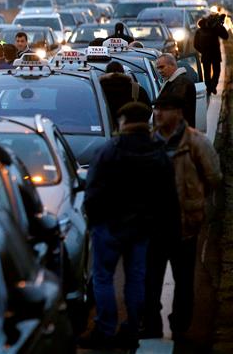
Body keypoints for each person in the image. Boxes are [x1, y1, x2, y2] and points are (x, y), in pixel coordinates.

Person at [79, 102, 178, 350]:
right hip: (142, 228)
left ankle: (105, 328)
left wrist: (95, 220)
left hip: (109, 225)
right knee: (135, 280)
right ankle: (133, 327)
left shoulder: (109, 149)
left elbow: (92, 190)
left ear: (122, 121)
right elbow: (168, 195)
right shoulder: (158, 151)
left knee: (103, 278)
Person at [142, 94, 222, 342]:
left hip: (184, 223)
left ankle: (180, 324)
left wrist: (194, 200)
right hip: (153, 224)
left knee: (184, 279)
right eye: (156, 110)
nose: (158, 114)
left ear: (178, 113)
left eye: (164, 110)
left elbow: (213, 177)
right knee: (150, 279)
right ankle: (151, 324)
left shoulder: (195, 142)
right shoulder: (148, 141)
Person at [99, 61, 152, 128]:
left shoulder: (96, 89)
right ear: (123, 73)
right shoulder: (136, 89)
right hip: (130, 131)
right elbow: (148, 111)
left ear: (106, 73)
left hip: (102, 130)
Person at [155, 53, 196, 127]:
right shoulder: (173, 82)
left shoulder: (181, 83)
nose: (159, 71)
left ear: (172, 65)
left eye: (162, 67)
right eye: (158, 68)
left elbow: (174, 110)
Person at [193, 13, 229, 95]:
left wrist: (202, 51)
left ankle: (209, 87)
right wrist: (220, 25)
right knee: (216, 71)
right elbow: (225, 36)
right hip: (215, 55)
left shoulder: (200, 31)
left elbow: (195, 45)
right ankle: (212, 86)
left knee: (207, 72)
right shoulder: (215, 29)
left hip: (206, 55)